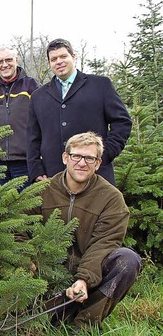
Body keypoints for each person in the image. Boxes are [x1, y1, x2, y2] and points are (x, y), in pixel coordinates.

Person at [36, 132, 140, 330]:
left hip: (90, 277)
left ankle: (85, 325)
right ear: (65, 158)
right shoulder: (43, 191)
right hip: (47, 276)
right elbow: (20, 230)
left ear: (98, 163)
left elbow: (104, 243)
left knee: (127, 259)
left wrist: (84, 279)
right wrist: (29, 260)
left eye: (89, 158)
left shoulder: (111, 198)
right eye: (76, 156)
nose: (82, 163)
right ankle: (49, 317)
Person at [27, 38, 132, 185]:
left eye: (63, 56)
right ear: (49, 63)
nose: (59, 61)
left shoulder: (100, 85)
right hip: (54, 176)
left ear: (73, 57)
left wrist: (104, 155)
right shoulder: (38, 96)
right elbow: (33, 137)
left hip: (96, 174)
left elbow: (122, 122)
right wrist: (36, 169)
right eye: (54, 59)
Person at [0, 46, 40, 187]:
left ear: (16, 60)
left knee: (26, 207)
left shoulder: (32, 86)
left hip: (25, 162)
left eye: (9, 60)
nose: (5, 65)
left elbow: (43, 122)